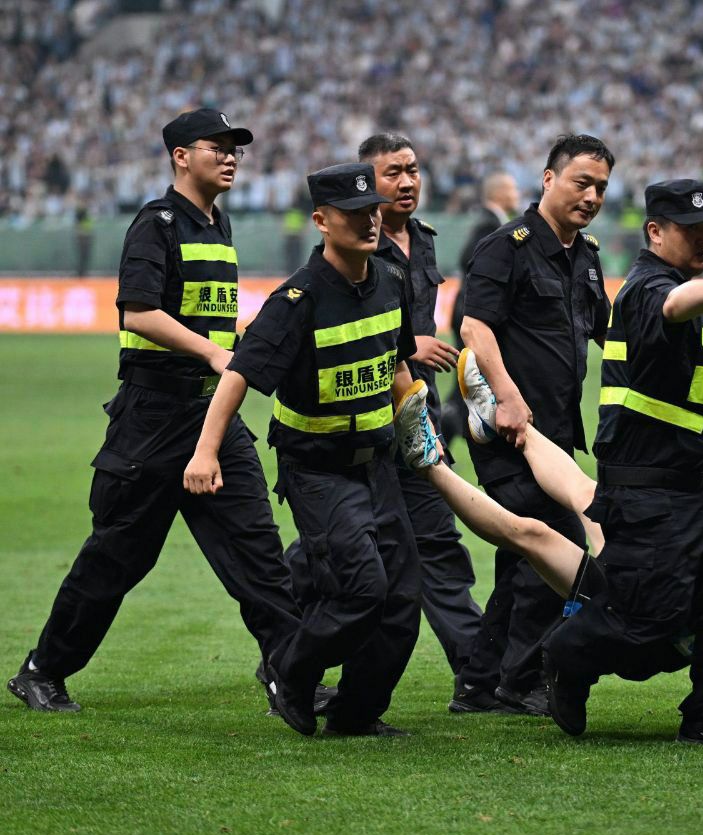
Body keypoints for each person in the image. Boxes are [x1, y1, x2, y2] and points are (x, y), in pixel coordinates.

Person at [6, 109, 303, 716]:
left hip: (211, 413)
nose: (230, 158)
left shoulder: (219, 224)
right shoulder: (156, 224)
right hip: (152, 417)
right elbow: (137, 312)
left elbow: (201, 314)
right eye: (216, 148)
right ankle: (43, 669)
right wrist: (217, 352)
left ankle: (289, 676)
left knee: (259, 553)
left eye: (234, 150)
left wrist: (236, 341)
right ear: (179, 156)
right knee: (119, 556)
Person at [396, 370, 703, 679]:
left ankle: (427, 460)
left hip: (654, 623)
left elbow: (689, 478)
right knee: (591, 498)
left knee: (534, 534)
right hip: (666, 576)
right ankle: (501, 417)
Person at [183, 162, 421, 738]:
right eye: (355, 214)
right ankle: (291, 672)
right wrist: (205, 453)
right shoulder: (298, 299)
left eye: (374, 212)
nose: (370, 223)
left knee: (402, 598)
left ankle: (355, 713)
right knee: (363, 589)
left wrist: (419, 427)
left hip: (379, 464)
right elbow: (239, 375)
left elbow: (395, 361)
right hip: (318, 471)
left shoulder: (392, 276)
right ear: (321, 221)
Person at [539, 178, 703, 745]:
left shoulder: (689, 291)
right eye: (691, 231)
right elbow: (668, 306)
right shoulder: (648, 288)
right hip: (651, 501)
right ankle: (566, 653)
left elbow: (680, 409)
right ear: (654, 231)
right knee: (646, 630)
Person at [453, 135, 613, 716]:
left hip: (558, 435)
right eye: (581, 182)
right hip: (509, 430)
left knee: (524, 555)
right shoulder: (507, 247)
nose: (591, 195)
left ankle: (479, 684)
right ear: (548, 180)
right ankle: (522, 681)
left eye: (600, 186)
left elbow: (606, 333)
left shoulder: (586, 254)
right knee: (559, 546)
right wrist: (510, 398)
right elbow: (476, 328)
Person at [356, 132, 484, 679]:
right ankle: (287, 654)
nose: (407, 182)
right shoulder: (352, 245)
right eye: (392, 173)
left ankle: (479, 675)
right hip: (362, 421)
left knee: (436, 541)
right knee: (349, 547)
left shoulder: (425, 241)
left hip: (418, 414)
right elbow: (348, 328)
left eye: (412, 170)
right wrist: (410, 347)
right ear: (367, 183)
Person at [442, 172, 521, 444]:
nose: (517, 193)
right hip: (471, 311)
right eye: (511, 188)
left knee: (468, 379)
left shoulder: (494, 221)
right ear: (498, 193)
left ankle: (451, 427)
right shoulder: (489, 224)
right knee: (469, 378)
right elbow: (468, 257)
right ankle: (445, 429)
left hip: (468, 308)